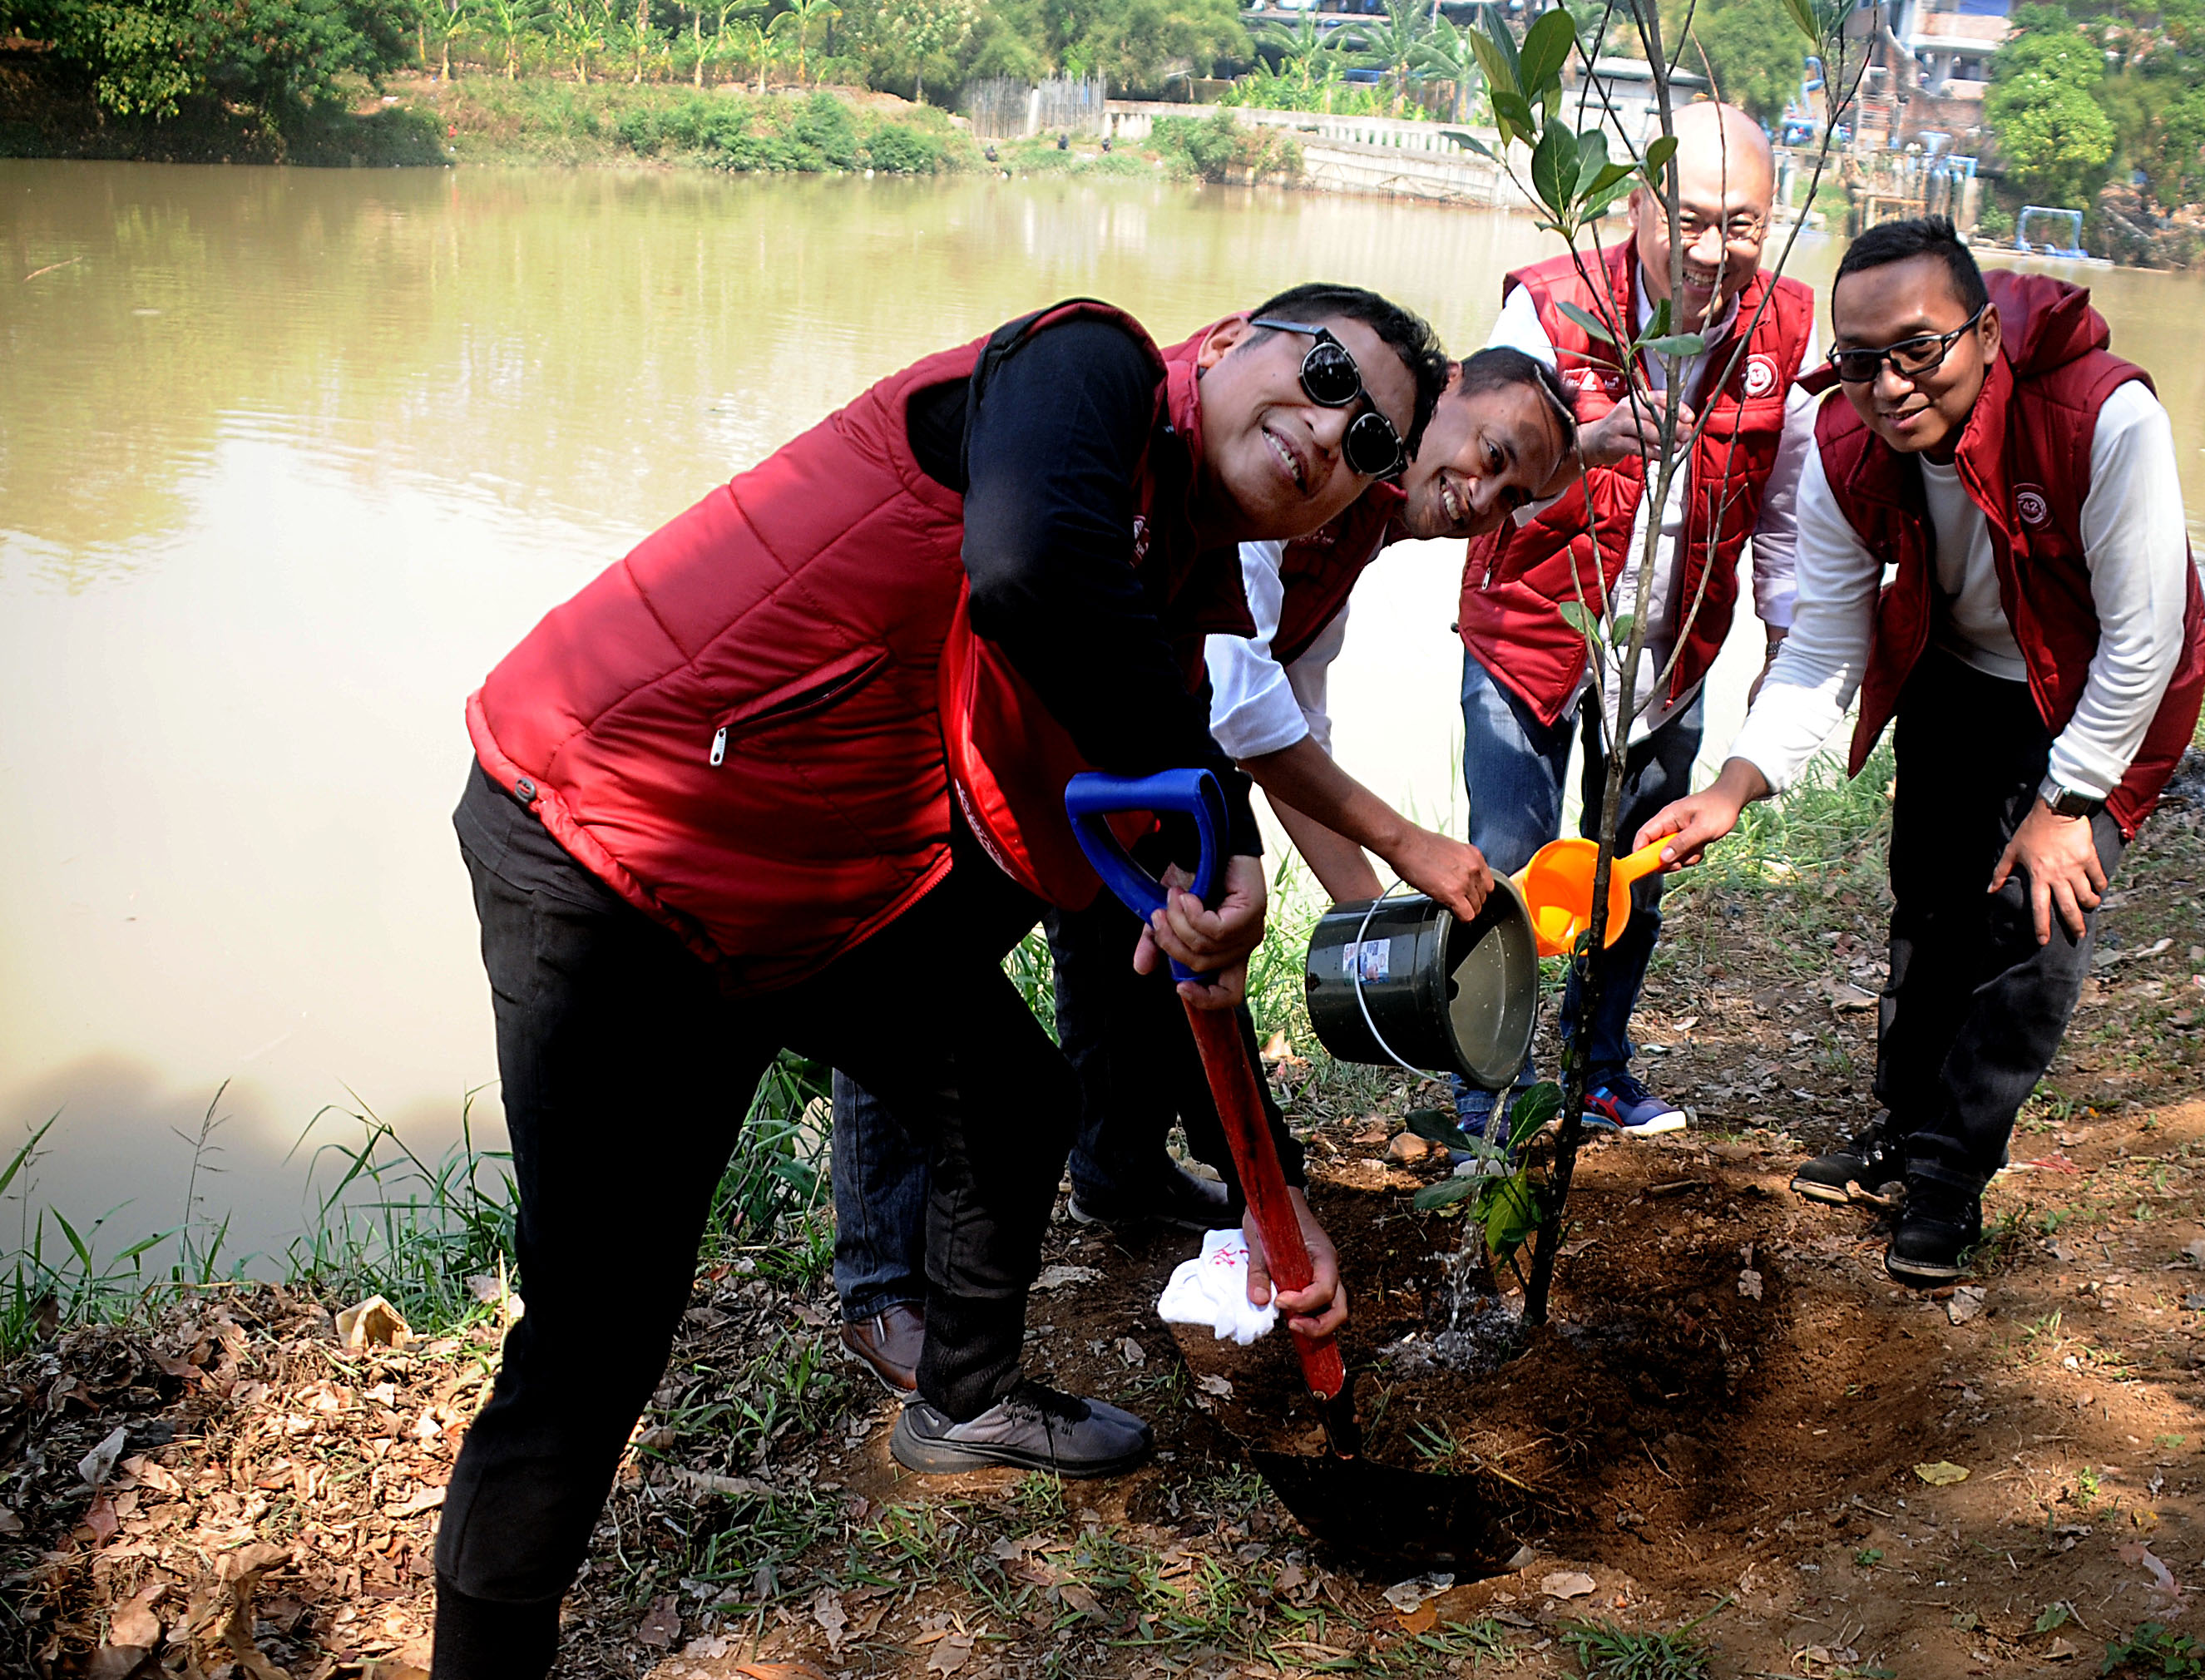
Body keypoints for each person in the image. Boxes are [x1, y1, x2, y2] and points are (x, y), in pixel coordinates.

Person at [434, 284, 1447, 1680]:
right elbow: (1030, 564)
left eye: (1372, 442)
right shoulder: (1083, 373)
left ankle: (960, 1401)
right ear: (1229, 345)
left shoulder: (1176, 588)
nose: (1332, 429)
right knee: (599, 1339)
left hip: (812, 893)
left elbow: (1177, 962)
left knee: (1012, 1090)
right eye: (1325, 374)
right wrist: (1211, 800)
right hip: (615, 835)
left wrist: (1282, 1208)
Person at [827, 347, 1580, 1399]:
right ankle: (879, 1287)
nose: (1485, 496)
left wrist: (1376, 907)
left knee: (1119, 940)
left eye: (1515, 496)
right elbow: (1241, 706)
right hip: (989, 715)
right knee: (927, 968)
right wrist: (1406, 845)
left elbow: (1292, 716)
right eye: (1493, 454)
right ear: (1439, 390)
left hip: (1115, 751)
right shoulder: (1294, 481)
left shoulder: (1350, 530)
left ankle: (1118, 1170)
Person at [1636, 218, 2205, 1287]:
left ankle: (1950, 1174)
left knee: (2034, 929)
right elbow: (1825, 641)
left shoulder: (2102, 414)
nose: (1891, 384)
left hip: (2094, 691)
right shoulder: (1846, 445)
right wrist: (1734, 784)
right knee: (1932, 907)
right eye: (1860, 360)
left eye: (1919, 349)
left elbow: (2146, 638)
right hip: (1958, 677)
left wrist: (2068, 799)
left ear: (1984, 333)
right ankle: (1902, 1127)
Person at [1458, 101, 1821, 1139]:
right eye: (1691, 220)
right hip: (1528, 637)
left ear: (1772, 218)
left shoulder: (1783, 328)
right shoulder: (1550, 306)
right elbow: (1472, 481)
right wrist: (1589, 440)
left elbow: (1788, 508)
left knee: (1634, 869)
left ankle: (1594, 1068)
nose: (1713, 252)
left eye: (1740, 224)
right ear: (1637, 209)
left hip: (1671, 653)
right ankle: (1491, 1098)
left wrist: (1784, 646)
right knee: (1509, 870)